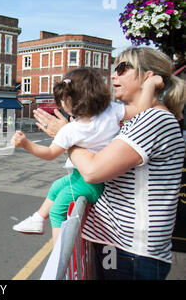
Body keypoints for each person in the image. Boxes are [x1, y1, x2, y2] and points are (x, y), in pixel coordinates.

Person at [34, 47, 186, 280]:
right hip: (120, 246)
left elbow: (94, 171)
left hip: (133, 253)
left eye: (122, 68)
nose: (113, 76)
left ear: (148, 76)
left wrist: (66, 135)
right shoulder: (139, 118)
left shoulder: (154, 119)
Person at [12, 67, 160, 242]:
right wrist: (151, 85)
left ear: (69, 100)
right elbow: (142, 108)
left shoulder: (71, 129)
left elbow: (50, 153)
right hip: (101, 175)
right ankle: (37, 218)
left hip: (89, 179)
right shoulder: (112, 110)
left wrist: (26, 144)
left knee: (57, 210)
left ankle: (59, 253)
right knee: (57, 187)